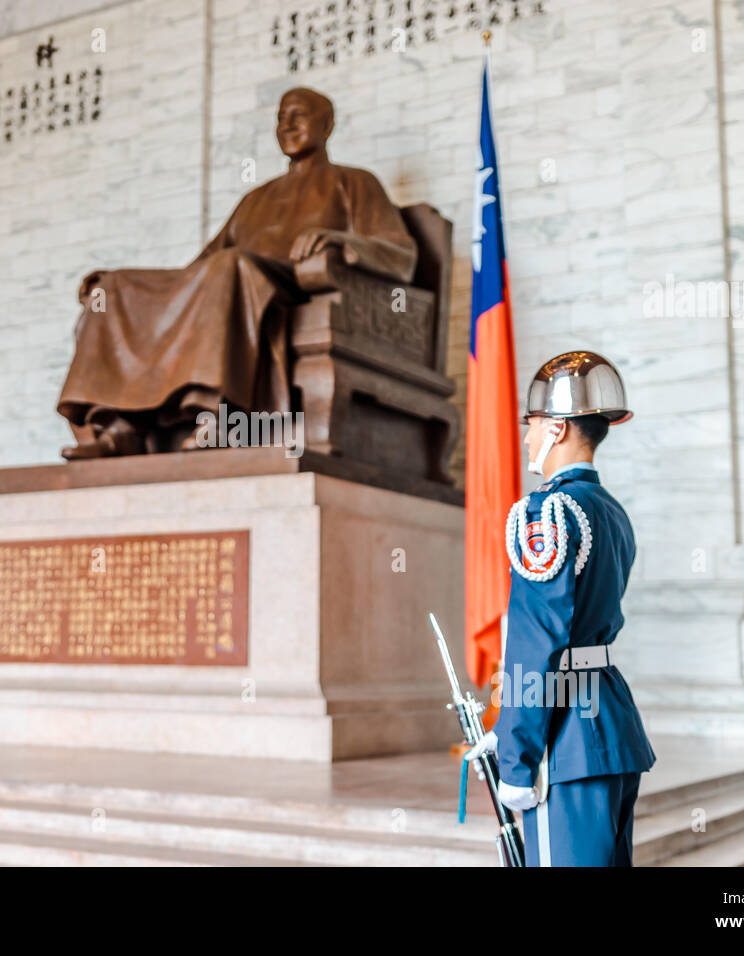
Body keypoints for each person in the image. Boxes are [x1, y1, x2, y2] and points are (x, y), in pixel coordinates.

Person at [56, 86, 417, 458]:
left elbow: (401, 254)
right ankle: (121, 427)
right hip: (234, 280)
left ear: (326, 125)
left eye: (299, 115)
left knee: (231, 266)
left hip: (291, 287)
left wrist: (340, 241)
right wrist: (132, 285)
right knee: (114, 286)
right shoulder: (254, 199)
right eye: (280, 117)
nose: (287, 125)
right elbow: (198, 269)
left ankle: (222, 416)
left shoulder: (354, 182)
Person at [465, 350, 656, 867]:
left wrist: (517, 758)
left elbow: (537, 642)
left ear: (557, 429)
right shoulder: (610, 511)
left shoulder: (547, 511)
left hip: (562, 742)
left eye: (533, 425)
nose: (527, 437)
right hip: (608, 725)